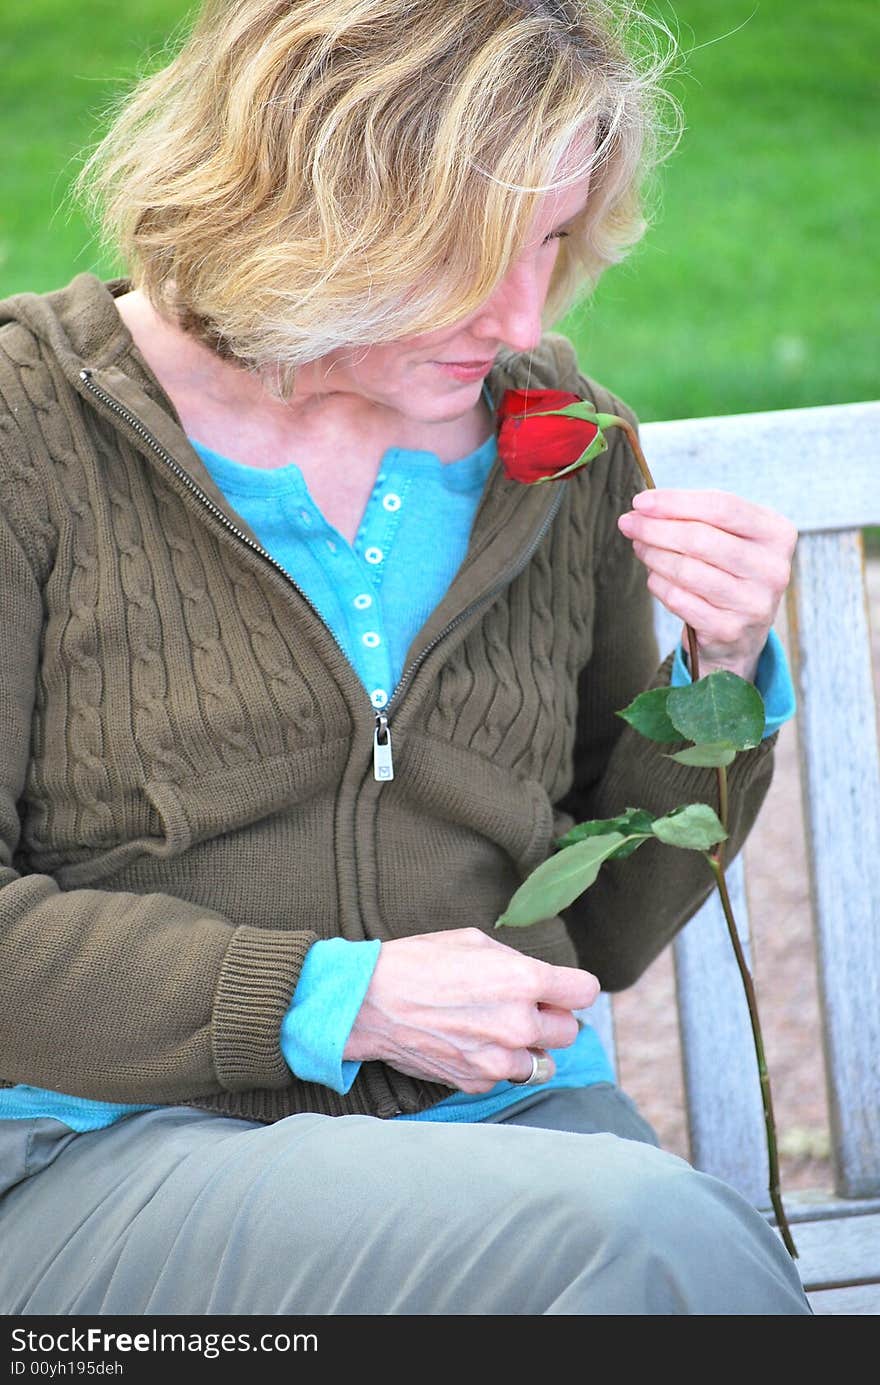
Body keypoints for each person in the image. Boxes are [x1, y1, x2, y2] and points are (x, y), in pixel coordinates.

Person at [0, 0, 810, 1315]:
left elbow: (596, 927)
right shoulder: (27, 425)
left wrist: (718, 672)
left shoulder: (558, 443)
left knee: (664, 1255)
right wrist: (339, 998)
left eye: (549, 241)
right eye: (464, 253)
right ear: (298, 198)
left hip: (513, 1153)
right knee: (660, 1248)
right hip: (114, 1161)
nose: (521, 315)